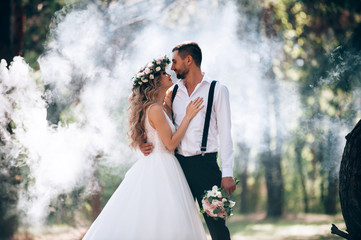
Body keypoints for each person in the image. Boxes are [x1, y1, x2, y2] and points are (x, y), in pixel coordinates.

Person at [82, 56, 207, 240]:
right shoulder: (155, 109)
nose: (169, 74)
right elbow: (170, 143)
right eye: (164, 74)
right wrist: (188, 117)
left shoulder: (163, 105)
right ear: (155, 82)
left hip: (167, 164)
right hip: (161, 165)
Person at [141, 42, 236, 240]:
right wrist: (144, 141)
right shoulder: (172, 92)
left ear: (189, 60)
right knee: (178, 227)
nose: (172, 68)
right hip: (178, 168)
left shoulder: (217, 90)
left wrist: (227, 173)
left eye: (175, 62)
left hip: (206, 167)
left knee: (217, 229)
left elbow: (226, 135)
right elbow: (157, 123)